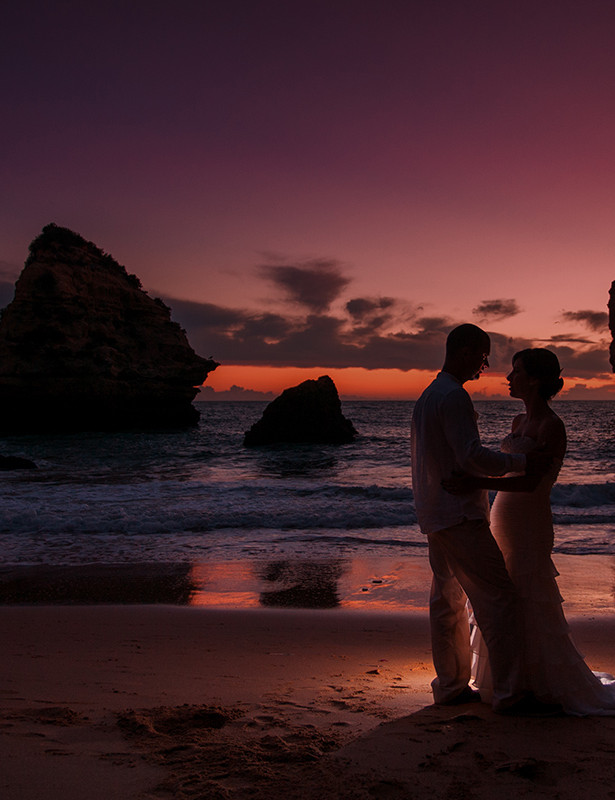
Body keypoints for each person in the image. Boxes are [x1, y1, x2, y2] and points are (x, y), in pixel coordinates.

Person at [444, 348, 615, 715]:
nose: (509, 377)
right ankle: (512, 677)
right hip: (502, 516)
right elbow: (510, 469)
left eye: (517, 371)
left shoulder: (552, 426)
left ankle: (542, 680)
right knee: (504, 594)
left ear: (535, 379)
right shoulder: (518, 422)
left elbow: (531, 484)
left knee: (530, 593)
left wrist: (477, 481)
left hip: (530, 520)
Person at [411, 324, 554, 714]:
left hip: (433, 511)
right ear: (465, 351)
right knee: (500, 599)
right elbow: (471, 455)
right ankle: (509, 694)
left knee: (447, 599)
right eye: (482, 356)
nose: (484, 366)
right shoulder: (453, 396)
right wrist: (523, 461)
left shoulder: (428, 395)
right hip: (458, 514)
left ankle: (452, 685)